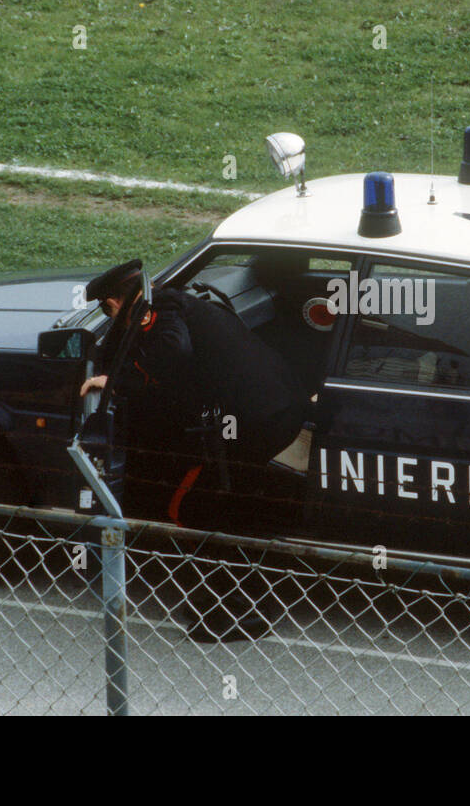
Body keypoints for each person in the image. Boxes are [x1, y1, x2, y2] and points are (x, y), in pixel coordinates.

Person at [81, 259, 307, 642]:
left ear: (114, 304)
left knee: (199, 507)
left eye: (106, 308)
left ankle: (239, 613)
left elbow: (174, 352)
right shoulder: (176, 302)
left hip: (258, 418)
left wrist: (115, 382)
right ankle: (237, 602)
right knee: (225, 502)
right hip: (277, 403)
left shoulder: (157, 313)